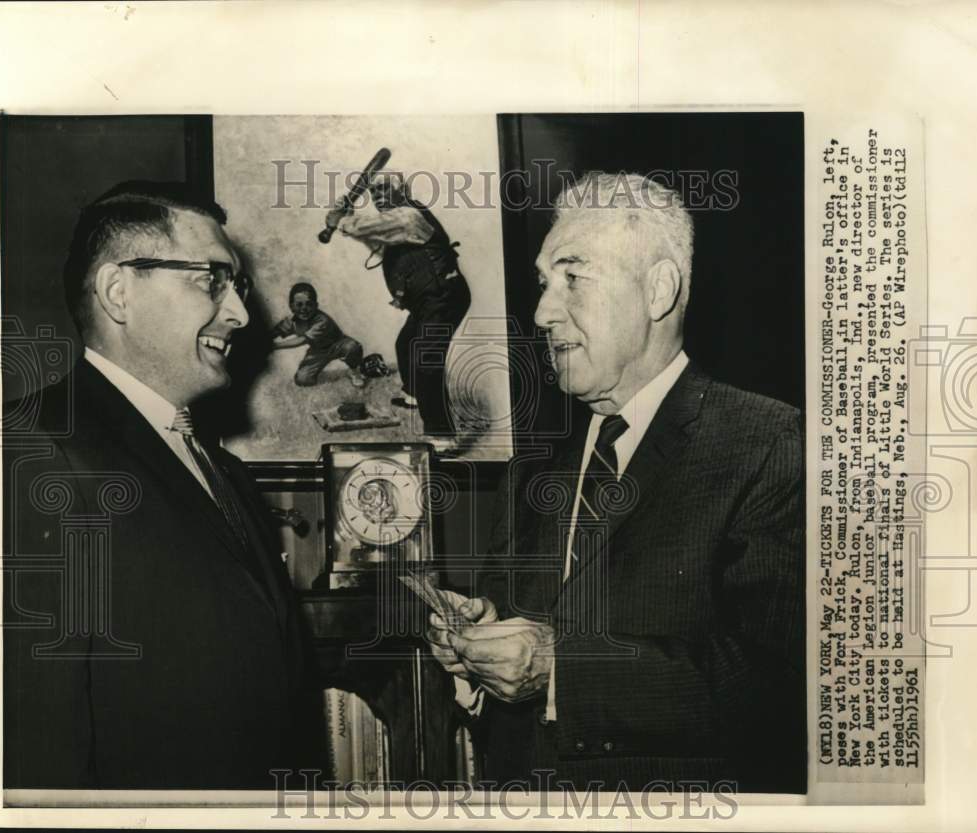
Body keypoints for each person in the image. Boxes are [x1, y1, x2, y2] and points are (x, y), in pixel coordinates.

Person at [427, 173, 805, 793]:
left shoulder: (767, 442)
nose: (543, 312)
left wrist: (557, 668)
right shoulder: (534, 469)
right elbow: (516, 680)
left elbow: (780, 686)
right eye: (545, 284)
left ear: (658, 290)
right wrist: (477, 654)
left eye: (573, 278)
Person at [2, 181, 321, 789]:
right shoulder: (30, 451)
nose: (240, 314)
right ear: (119, 292)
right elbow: (36, 754)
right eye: (210, 279)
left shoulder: (224, 472)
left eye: (238, 285)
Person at [339, 173, 471, 442]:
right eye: (373, 192)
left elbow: (379, 227)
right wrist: (348, 216)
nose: (377, 195)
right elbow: (375, 237)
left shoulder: (410, 216)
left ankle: (442, 436)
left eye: (384, 189)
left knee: (426, 360)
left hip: (444, 297)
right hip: (427, 301)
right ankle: (415, 395)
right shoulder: (393, 227)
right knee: (406, 343)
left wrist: (342, 221)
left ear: (403, 190)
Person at [271, 281, 366, 388]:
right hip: (318, 351)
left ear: (316, 305)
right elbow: (273, 333)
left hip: (338, 344)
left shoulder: (322, 320)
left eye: (309, 304)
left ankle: (354, 371)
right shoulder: (290, 321)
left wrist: (274, 346)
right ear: (291, 306)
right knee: (303, 380)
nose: (304, 309)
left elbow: (302, 340)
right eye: (299, 304)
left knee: (352, 347)